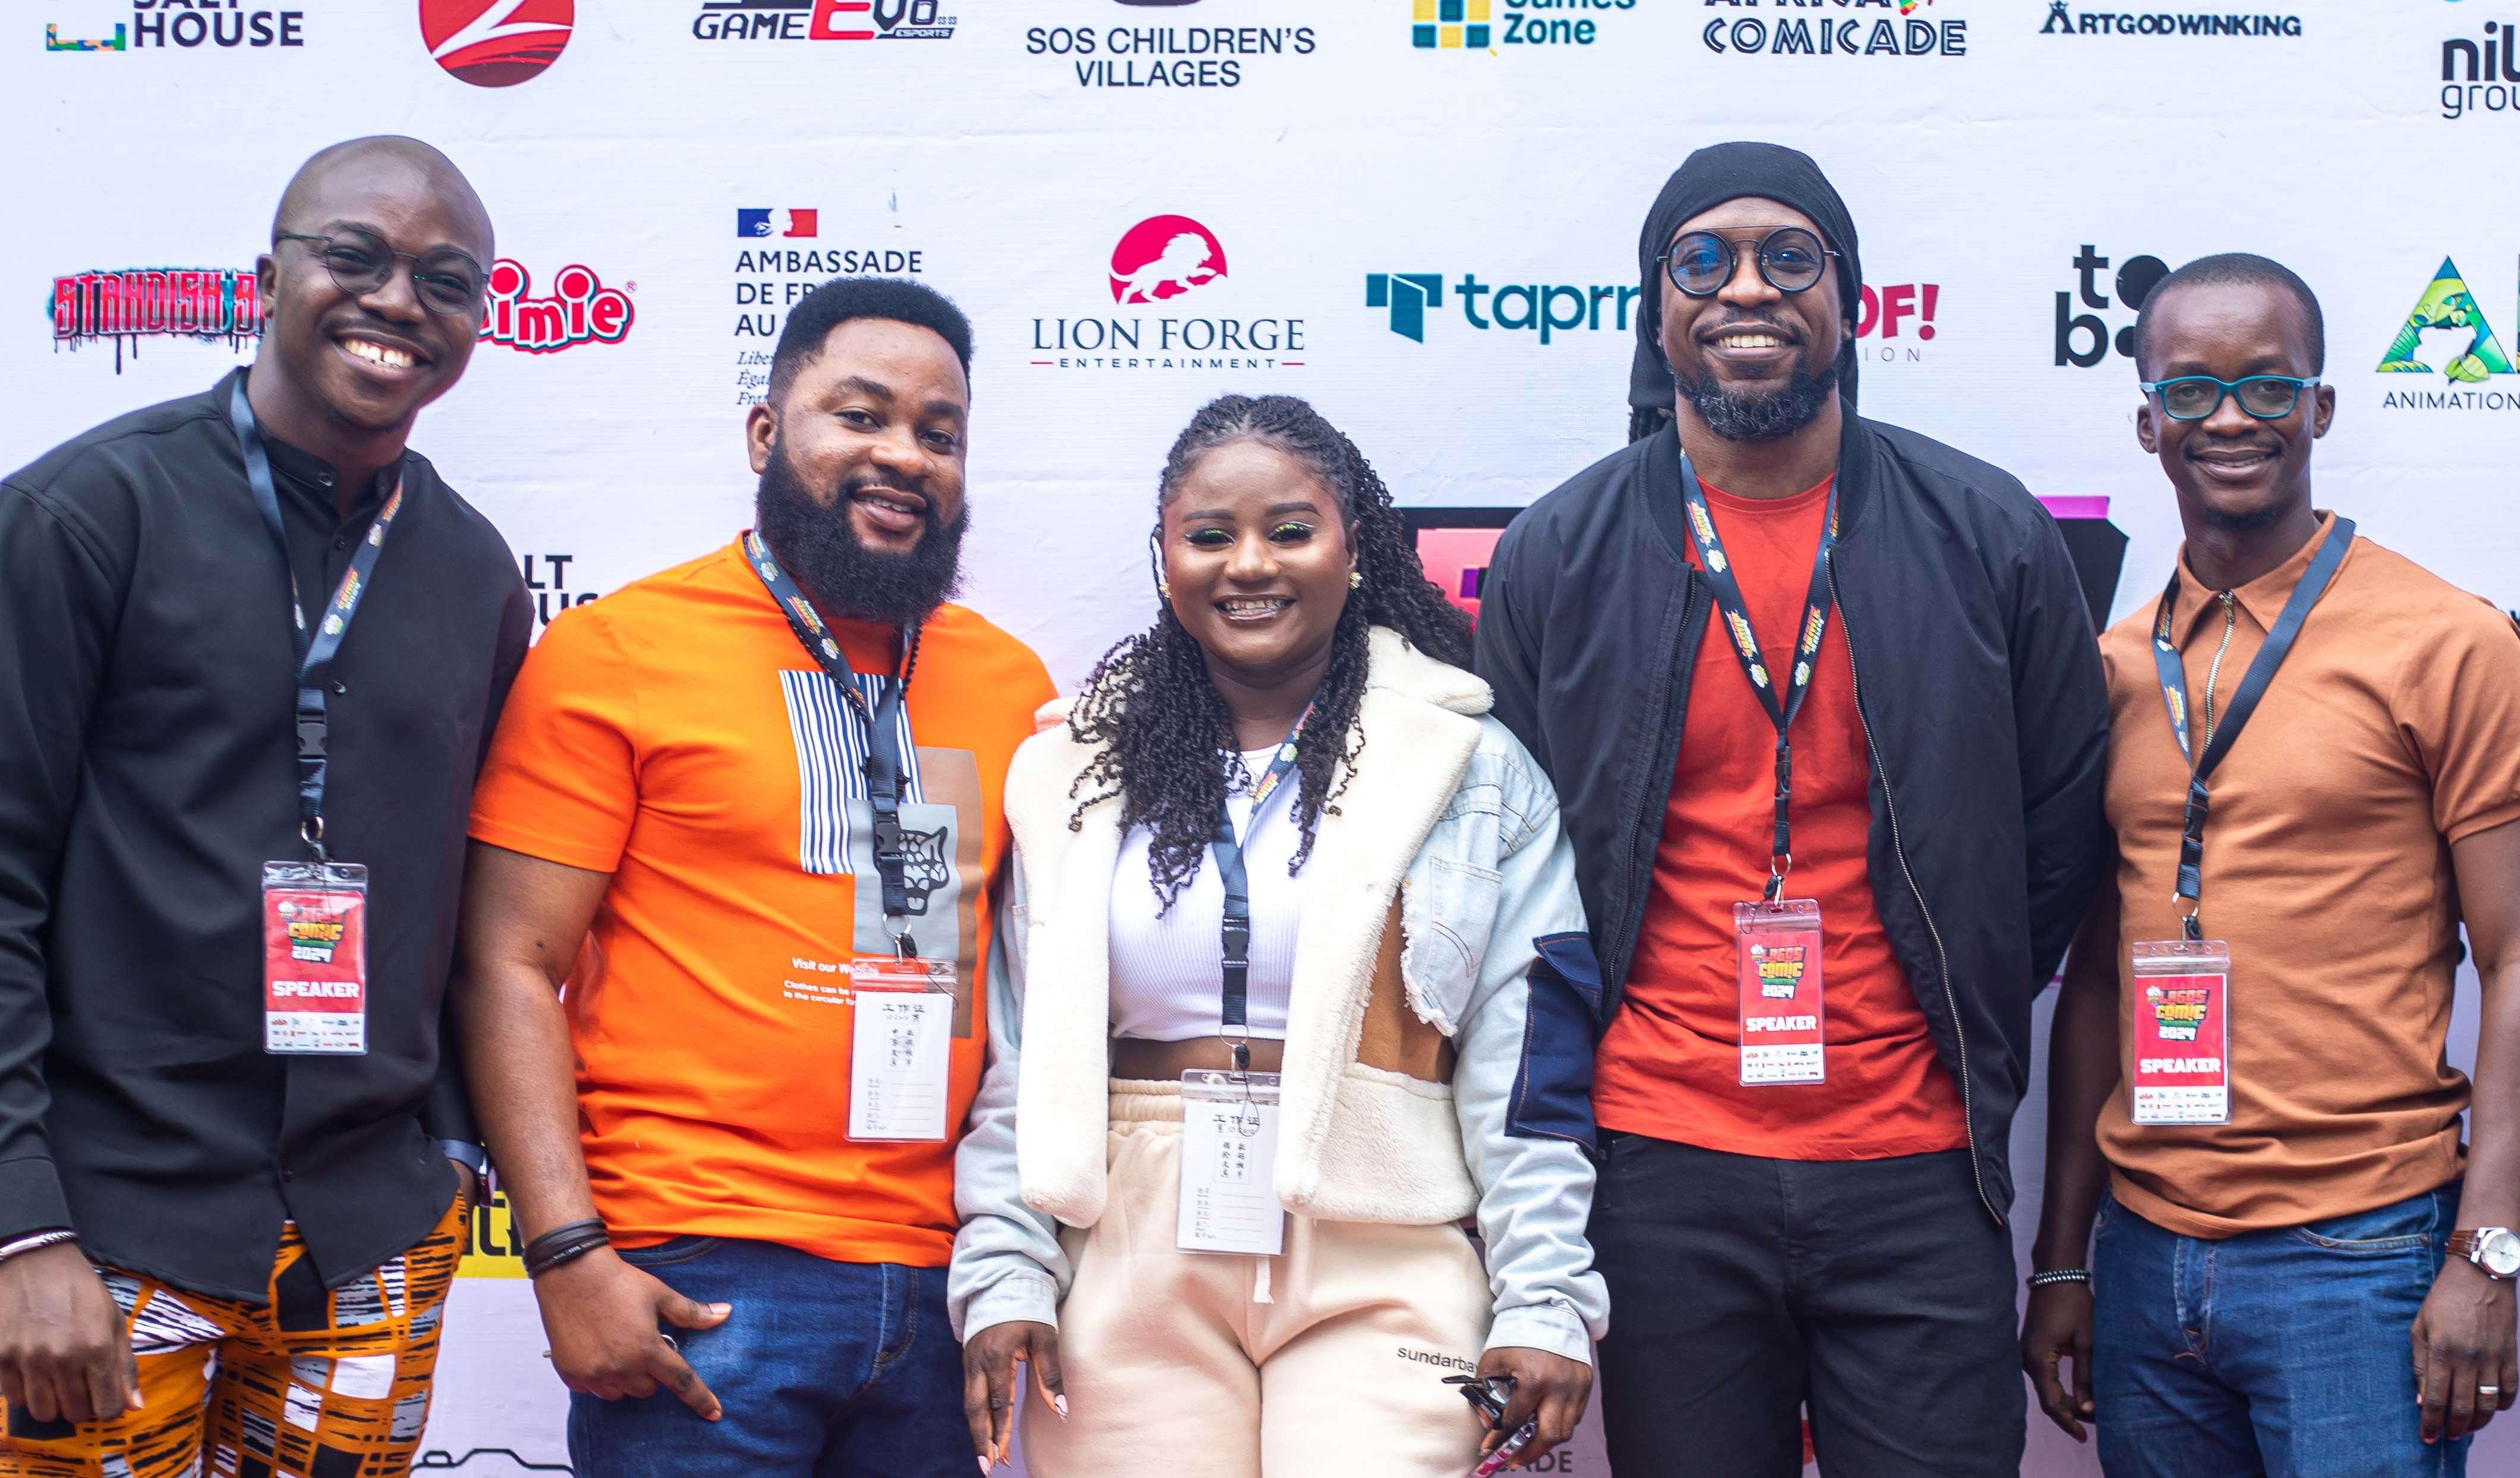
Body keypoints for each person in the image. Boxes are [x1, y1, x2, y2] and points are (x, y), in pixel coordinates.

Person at [1475, 141, 2113, 1477]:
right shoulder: (1560, 549)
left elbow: (2056, 833)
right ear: (1657, 309)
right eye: (1702, 260)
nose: (1746, 289)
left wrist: (1961, 999)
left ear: (1853, 299)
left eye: (1790, 256)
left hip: (1919, 1159)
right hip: (1660, 1161)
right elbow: (1516, 858)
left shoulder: (1986, 531)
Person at [455, 277, 1054, 1477]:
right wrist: (567, 1253)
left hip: (940, 1285)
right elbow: (505, 963)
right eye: (862, 414)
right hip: (701, 1277)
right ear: (768, 434)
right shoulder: (619, 652)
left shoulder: (1009, 682)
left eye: (940, 434)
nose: (903, 455)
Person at [0, 136, 522, 1476]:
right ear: (266, 277)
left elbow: (473, 902)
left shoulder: (472, 574)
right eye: (355, 257)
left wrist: (449, 1158)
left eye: (445, 279)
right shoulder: (82, 514)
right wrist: (16, 1224)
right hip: (104, 1232)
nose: (398, 301)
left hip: (367, 1245)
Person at [951, 394, 1607, 1477]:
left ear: (1354, 550)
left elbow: (1528, 1064)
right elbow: (1020, 1062)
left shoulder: (1466, 764)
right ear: (1165, 560)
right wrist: (1008, 1272)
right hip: (1127, 1250)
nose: (1248, 563)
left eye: (1290, 529)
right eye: (1210, 536)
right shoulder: (1069, 768)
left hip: (1385, 1239)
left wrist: (1545, 1296)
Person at [2022, 254, 2520, 1477]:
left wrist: (2490, 1248)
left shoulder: (2448, 642)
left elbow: (2514, 958)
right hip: (2145, 1260)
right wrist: (2066, 1255)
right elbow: (2094, 982)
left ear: (2322, 407)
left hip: (2360, 1259)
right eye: (2191, 392)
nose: (2230, 418)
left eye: (2267, 385)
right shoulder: (2113, 667)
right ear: (2147, 422)